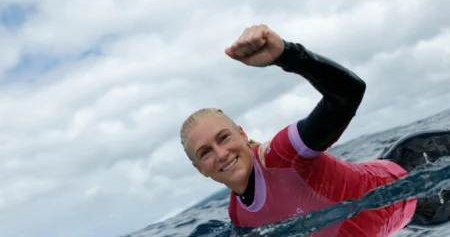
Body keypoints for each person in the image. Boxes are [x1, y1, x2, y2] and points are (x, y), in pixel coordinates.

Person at [180, 24, 450, 236]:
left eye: (224, 137)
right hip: (416, 218)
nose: (221, 153)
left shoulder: (282, 156)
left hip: (423, 165)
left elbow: (348, 95)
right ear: (200, 168)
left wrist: (288, 54)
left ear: (241, 133)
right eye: (205, 152)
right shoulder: (239, 217)